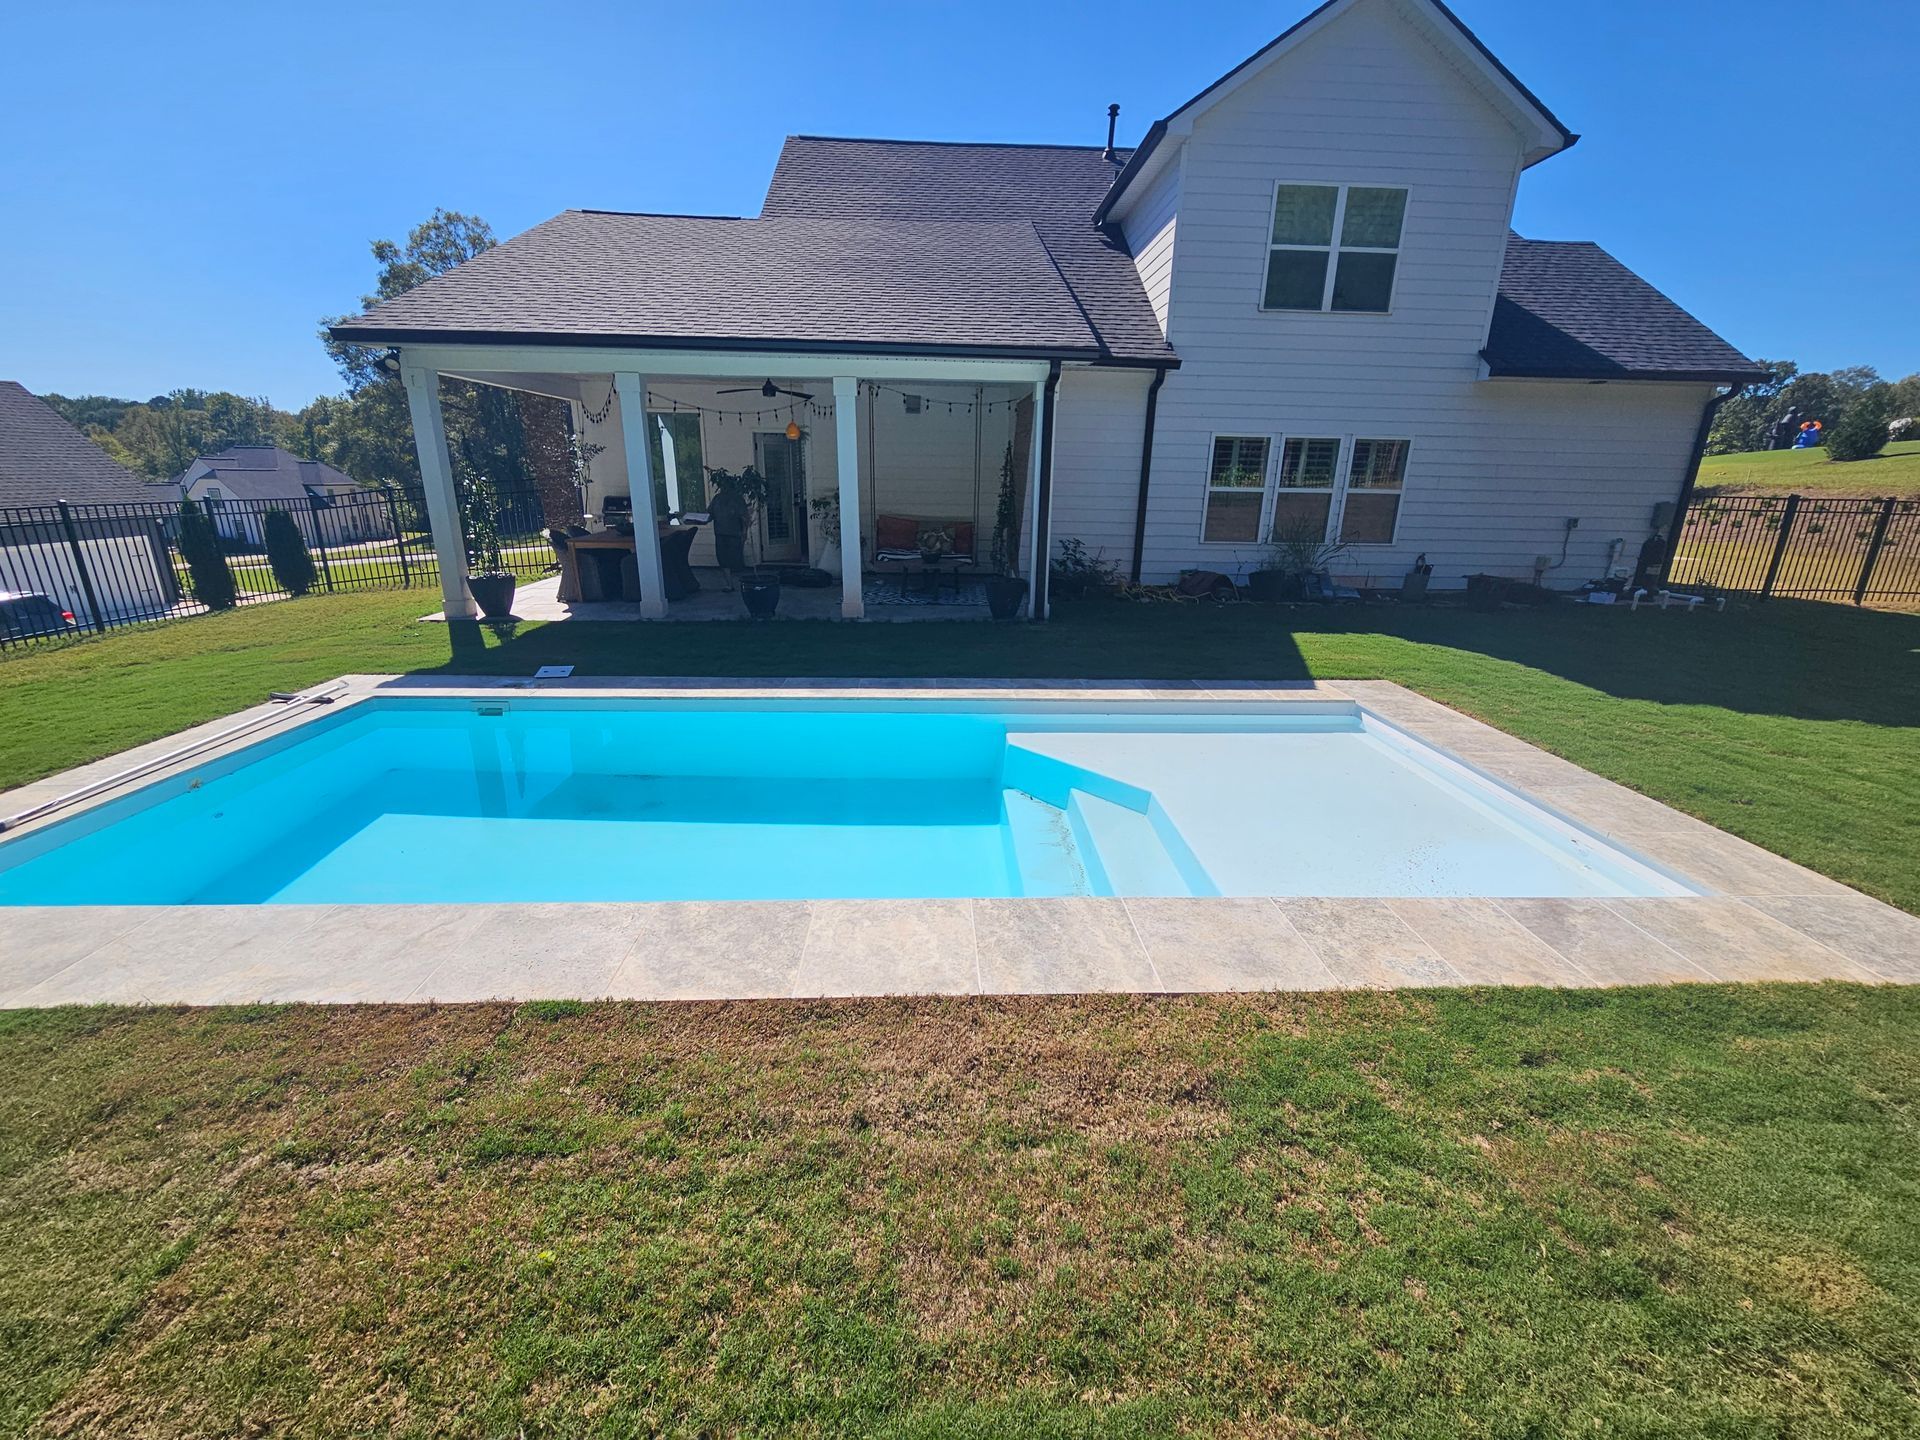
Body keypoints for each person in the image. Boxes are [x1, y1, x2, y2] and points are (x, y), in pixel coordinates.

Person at [706, 473, 748, 588]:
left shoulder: (736, 499)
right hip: (725, 534)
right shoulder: (718, 499)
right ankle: (730, 584)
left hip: (730, 534)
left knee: (729, 560)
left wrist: (744, 532)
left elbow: (744, 517)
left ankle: (733, 584)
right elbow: (709, 516)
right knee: (726, 560)